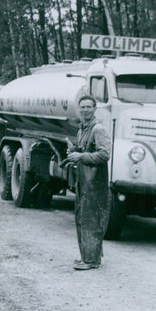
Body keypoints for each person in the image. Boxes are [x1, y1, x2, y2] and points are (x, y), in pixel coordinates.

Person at [65, 95, 111, 271]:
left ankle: (91, 261)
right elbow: (86, 150)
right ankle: (88, 255)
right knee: (82, 218)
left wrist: (81, 156)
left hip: (95, 183)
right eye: (82, 107)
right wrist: (74, 150)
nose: (85, 110)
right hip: (83, 181)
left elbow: (105, 155)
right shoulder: (82, 129)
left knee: (91, 219)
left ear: (95, 109)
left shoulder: (98, 129)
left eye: (88, 107)